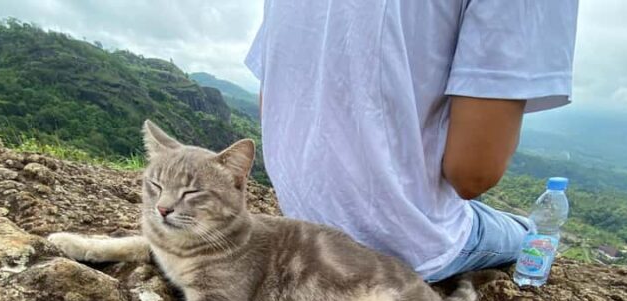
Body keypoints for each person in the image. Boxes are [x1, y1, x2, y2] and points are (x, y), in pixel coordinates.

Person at [245, 1, 579, 281]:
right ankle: (530, 231)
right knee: (528, 231)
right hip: (400, 241)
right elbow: (471, 175)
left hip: (299, 209)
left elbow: (270, 104)